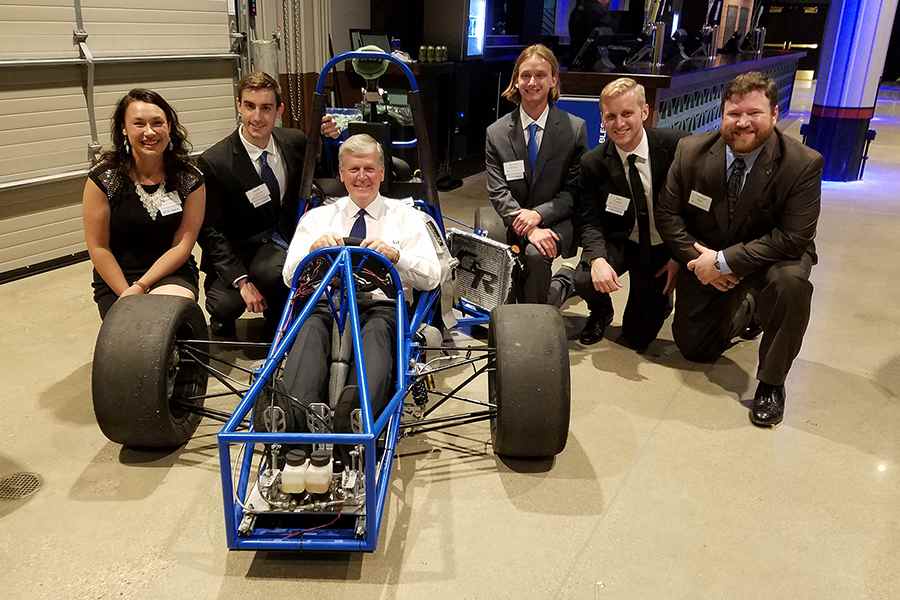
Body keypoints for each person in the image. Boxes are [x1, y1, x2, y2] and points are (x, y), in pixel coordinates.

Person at [655, 71, 823, 427]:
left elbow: (794, 237)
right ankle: (750, 310)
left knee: (791, 286)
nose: (743, 122)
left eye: (754, 113)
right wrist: (695, 259)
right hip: (708, 257)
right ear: (723, 114)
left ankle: (771, 384)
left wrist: (724, 262)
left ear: (774, 114)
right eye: (733, 113)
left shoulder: (803, 163)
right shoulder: (691, 152)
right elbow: (668, 215)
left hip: (775, 258)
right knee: (693, 348)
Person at [279, 134, 441, 433]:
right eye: (354, 169)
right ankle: (296, 423)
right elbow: (290, 276)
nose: (362, 177)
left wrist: (397, 256)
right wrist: (312, 251)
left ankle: (354, 420)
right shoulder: (317, 219)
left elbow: (432, 277)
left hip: (382, 308)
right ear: (341, 174)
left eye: (369, 169)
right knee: (310, 331)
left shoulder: (408, 218)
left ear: (381, 172)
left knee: (376, 335)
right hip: (324, 305)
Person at [198, 72, 339, 338]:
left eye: (266, 108)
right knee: (224, 303)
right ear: (239, 105)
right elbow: (210, 230)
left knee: (279, 276)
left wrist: (327, 140)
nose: (257, 117)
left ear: (279, 110)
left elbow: (321, 176)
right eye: (249, 106)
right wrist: (241, 282)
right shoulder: (215, 162)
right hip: (240, 251)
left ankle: (277, 310)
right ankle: (233, 306)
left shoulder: (294, 141)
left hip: (281, 243)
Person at [567, 77, 687, 347]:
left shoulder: (677, 147)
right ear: (603, 119)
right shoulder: (593, 162)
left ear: (644, 112)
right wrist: (597, 259)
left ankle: (659, 301)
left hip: (663, 247)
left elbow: (693, 210)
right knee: (584, 277)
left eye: (627, 114)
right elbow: (589, 219)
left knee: (637, 338)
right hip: (623, 241)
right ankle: (601, 311)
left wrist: (678, 256)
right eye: (611, 116)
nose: (619, 123)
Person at [83, 89, 205, 319]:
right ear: (124, 129)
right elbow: (99, 248)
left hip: (171, 272)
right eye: (138, 124)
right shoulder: (103, 179)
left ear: (169, 126)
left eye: (157, 123)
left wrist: (142, 286)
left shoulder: (190, 179)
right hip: (117, 277)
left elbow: (183, 244)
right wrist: (128, 293)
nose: (149, 132)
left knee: (162, 321)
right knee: (129, 334)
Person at [485, 44, 588, 305]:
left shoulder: (574, 129)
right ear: (516, 81)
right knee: (511, 291)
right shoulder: (496, 133)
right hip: (515, 218)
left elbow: (574, 191)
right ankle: (562, 283)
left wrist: (539, 215)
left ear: (553, 79)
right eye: (525, 75)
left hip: (556, 218)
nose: (532, 82)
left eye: (541, 75)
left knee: (534, 255)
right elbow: (498, 191)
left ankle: (538, 317)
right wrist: (529, 227)